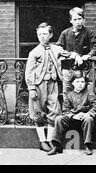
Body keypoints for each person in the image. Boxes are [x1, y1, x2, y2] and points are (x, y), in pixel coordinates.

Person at [25, 23, 80, 152]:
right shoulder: (34, 52)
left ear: (50, 35)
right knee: (38, 112)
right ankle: (42, 141)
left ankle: (50, 140)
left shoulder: (56, 49)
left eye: (45, 34)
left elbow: (68, 54)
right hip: (39, 85)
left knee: (54, 111)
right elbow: (29, 71)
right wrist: (31, 88)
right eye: (40, 34)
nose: (42, 37)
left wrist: (76, 56)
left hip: (53, 84)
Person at [48, 71, 96, 156]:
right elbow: (65, 110)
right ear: (73, 83)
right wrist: (73, 116)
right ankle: (56, 145)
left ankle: (88, 145)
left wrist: (88, 114)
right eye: (77, 82)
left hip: (85, 121)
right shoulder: (70, 95)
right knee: (59, 119)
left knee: (89, 119)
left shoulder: (89, 94)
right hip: (73, 120)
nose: (80, 84)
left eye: (82, 82)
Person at [57, 7, 96, 98]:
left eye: (80, 19)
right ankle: (67, 111)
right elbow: (58, 48)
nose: (78, 22)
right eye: (75, 19)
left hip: (84, 68)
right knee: (67, 91)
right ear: (70, 20)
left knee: (87, 91)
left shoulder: (89, 33)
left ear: (84, 19)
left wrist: (88, 55)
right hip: (68, 68)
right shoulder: (65, 33)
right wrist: (72, 55)